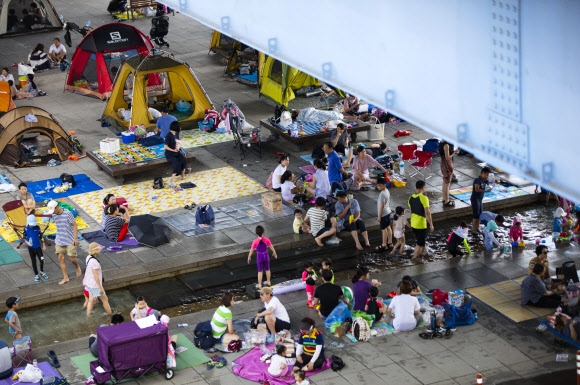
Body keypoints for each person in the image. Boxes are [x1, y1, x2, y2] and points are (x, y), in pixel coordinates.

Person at [48, 200, 81, 285]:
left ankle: (77, 266)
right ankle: (65, 277)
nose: (52, 212)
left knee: (72, 258)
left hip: (69, 239)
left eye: (53, 210)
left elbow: (74, 225)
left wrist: (75, 238)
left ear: (56, 207)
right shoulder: (54, 214)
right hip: (59, 238)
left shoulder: (67, 213)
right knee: (60, 258)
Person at [83, 242, 112, 316]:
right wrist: (100, 288)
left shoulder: (88, 257)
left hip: (89, 282)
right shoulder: (94, 262)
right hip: (95, 285)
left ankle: (88, 315)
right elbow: (96, 276)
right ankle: (111, 314)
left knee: (90, 300)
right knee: (105, 300)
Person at [408, 180, 434, 259]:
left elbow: (411, 211)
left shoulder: (410, 198)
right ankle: (414, 259)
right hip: (421, 225)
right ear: (423, 188)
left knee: (421, 240)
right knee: (419, 243)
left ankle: (425, 254)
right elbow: (427, 213)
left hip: (413, 223)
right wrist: (431, 224)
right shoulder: (424, 198)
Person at [24, 215, 48, 283]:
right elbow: (24, 237)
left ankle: (42, 271)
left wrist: (43, 244)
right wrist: (27, 242)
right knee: (33, 261)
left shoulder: (37, 228)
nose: (32, 226)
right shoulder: (26, 228)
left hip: (38, 247)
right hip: (30, 248)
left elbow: (41, 236)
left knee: (42, 260)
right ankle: (36, 275)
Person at [164, 121, 187, 187]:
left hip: (177, 152)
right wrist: (173, 150)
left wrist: (182, 151)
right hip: (170, 154)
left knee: (183, 160)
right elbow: (166, 146)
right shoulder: (168, 135)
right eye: (179, 127)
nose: (180, 128)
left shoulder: (176, 134)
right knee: (176, 162)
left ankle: (183, 174)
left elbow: (178, 143)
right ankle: (172, 178)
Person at [471, 167, 493, 235]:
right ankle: (473, 230)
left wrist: (491, 183)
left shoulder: (484, 180)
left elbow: (489, 184)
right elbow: (477, 189)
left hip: (480, 199)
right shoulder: (477, 180)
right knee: (476, 215)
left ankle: (477, 228)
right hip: (475, 199)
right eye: (486, 175)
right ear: (482, 173)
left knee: (480, 214)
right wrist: (486, 191)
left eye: (488, 175)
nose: (487, 176)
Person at [439, 139, 460, 207]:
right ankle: (447, 201)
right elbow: (448, 157)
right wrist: (454, 152)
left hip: (443, 164)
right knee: (447, 184)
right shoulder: (446, 145)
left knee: (444, 181)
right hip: (447, 165)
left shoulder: (441, 143)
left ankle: (444, 198)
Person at [375, 177, 393, 251]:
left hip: (383, 214)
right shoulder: (387, 190)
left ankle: (384, 245)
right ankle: (390, 243)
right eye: (377, 185)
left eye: (380, 185)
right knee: (388, 227)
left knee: (384, 229)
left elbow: (382, 206)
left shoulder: (382, 194)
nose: (378, 187)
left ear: (384, 185)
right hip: (388, 212)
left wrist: (379, 216)